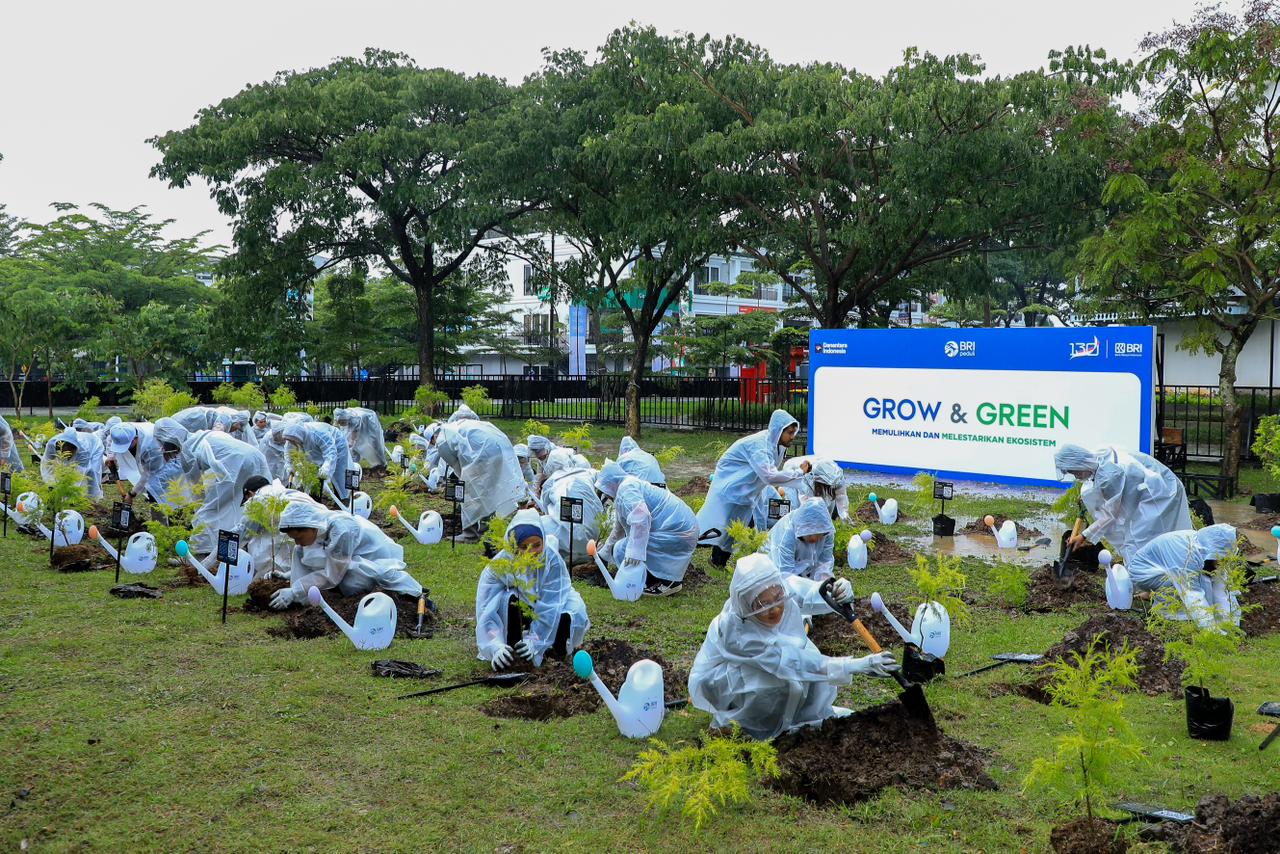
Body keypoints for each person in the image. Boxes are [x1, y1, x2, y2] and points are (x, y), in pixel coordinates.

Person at [687, 553, 898, 740]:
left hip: (776, 659)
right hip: (721, 683)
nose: (776, 610)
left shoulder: (775, 588)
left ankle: (808, 718)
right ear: (746, 606)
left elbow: (807, 592)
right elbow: (790, 663)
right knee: (772, 680)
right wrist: (855, 666)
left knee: (810, 659)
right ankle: (753, 727)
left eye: (778, 600)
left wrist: (834, 589)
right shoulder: (736, 632)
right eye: (764, 606)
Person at [474, 509, 589, 669]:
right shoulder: (498, 566)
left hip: (556, 602)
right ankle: (510, 647)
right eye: (524, 546)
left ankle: (556, 650)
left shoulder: (552, 561)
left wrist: (535, 641)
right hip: (522, 607)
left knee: (571, 613)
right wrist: (495, 645)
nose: (532, 552)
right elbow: (486, 608)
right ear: (514, 546)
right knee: (504, 599)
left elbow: (551, 605)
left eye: (537, 545)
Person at [697, 409, 808, 567]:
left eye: (794, 432)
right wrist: (798, 472)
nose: (793, 437)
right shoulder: (760, 446)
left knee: (736, 527)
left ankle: (718, 562)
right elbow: (769, 476)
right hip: (731, 486)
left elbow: (772, 474)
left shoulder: (778, 445)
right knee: (714, 526)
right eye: (790, 432)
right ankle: (683, 545)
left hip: (749, 489)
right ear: (778, 430)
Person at [270, 501, 422, 609]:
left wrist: (295, 590)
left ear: (310, 527)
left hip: (374, 558)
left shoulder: (341, 531)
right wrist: (290, 576)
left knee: (351, 581)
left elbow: (332, 575)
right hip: (347, 558)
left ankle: (413, 593)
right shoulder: (319, 528)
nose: (297, 542)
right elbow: (324, 557)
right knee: (299, 551)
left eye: (298, 537)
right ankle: (304, 600)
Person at [1054, 444, 1193, 561]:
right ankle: (1151, 579)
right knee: (1140, 540)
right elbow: (1101, 486)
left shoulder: (1109, 476)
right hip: (1152, 487)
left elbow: (1110, 516)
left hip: (1159, 494)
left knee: (1140, 541)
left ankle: (1147, 583)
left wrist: (1084, 535)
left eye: (1074, 471)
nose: (1075, 476)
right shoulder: (1099, 457)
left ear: (1079, 463)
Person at [157, 417, 270, 557]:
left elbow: (197, 490)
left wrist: (197, 512)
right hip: (255, 456)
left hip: (236, 465)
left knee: (208, 513)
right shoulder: (202, 435)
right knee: (248, 505)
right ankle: (240, 550)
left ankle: (199, 555)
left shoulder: (187, 451)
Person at [594, 460, 700, 597]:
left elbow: (642, 518)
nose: (605, 496)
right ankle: (655, 580)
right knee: (621, 547)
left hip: (677, 533)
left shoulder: (627, 490)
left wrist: (635, 552)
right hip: (682, 530)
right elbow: (618, 530)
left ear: (610, 484)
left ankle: (666, 583)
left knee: (623, 549)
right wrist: (601, 556)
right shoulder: (628, 487)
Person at [1127, 524, 1241, 629]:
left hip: (1164, 564)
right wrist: (1213, 631)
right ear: (1215, 550)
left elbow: (1222, 590)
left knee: (1206, 583)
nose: (1224, 562)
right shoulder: (1187, 556)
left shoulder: (1210, 550)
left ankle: (1151, 594)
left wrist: (1231, 623)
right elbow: (1193, 595)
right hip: (1144, 571)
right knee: (1180, 588)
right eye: (1223, 558)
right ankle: (1166, 614)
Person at [431, 420, 525, 542]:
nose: (433, 445)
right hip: (500, 449)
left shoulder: (442, 441)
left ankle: (470, 534)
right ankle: (488, 529)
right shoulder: (454, 428)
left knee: (470, 493)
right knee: (490, 492)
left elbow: (458, 469)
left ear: (434, 437)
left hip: (484, 454)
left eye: (431, 441)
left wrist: (465, 487)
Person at [537, 448, 603, 566]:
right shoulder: (587, 473)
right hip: (594, 538)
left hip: (567, 541)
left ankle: (561, 554)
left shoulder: (551, 482)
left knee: (537, 523)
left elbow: (545, 508)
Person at [752, 456, 849, 530]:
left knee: (824, 510)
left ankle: (779, 492)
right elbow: (805, 506)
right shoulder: (807, 481)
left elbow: (841, 498)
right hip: (793, 470)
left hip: (814, 472)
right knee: (794, 512)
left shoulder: (837, 477)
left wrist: (845, 521)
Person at [762, 498, 836, 583]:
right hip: (772, 562)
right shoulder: (788, 533)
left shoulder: (827, 531)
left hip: (800, 567)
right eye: (809, 534)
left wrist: (824, 581)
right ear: (802, 529)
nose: (814, 539)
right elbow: (785, 573)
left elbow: (825, 562)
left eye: (818, 535)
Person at [279, 421, 354, 503]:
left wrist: (326, 469)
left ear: (298, 436)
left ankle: (343, 500)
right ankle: (314, 501)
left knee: (339, 474)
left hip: (337, 444)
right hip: (318, 448)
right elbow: (288, 453)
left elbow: (330, 454)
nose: (291, 442)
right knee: (313, 472)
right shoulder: (292, 437)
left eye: (292, 441)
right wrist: (290, 466)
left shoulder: (318, 434)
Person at [104, 422, 168, 504]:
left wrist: (131, 494)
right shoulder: (119, 431)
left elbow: (148, 475)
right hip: (145, 455)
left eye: (127, 445)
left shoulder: (151, 447)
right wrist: (110, 456)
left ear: (135, 438)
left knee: (157, 489)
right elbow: (111, 439)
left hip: (165, 461)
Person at [40, 426, 104, 499]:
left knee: (93, 471)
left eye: (70, 452)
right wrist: (50, 483)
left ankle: (94, 497)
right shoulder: (52, 444)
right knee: (66, 468)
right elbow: (46, 464)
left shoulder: (84, 450)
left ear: (75, 448)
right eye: (64, 451)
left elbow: (79, 475)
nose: (68, 455)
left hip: (95, 445)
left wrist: (67, 495)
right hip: (83, 444)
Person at [252, 412, 289, 481]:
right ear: (256, 422)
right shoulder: (254, 431)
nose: (263, 423)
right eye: (261, 422)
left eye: (264, 421)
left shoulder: (269, 429)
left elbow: (269, 415)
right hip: (270, 464)